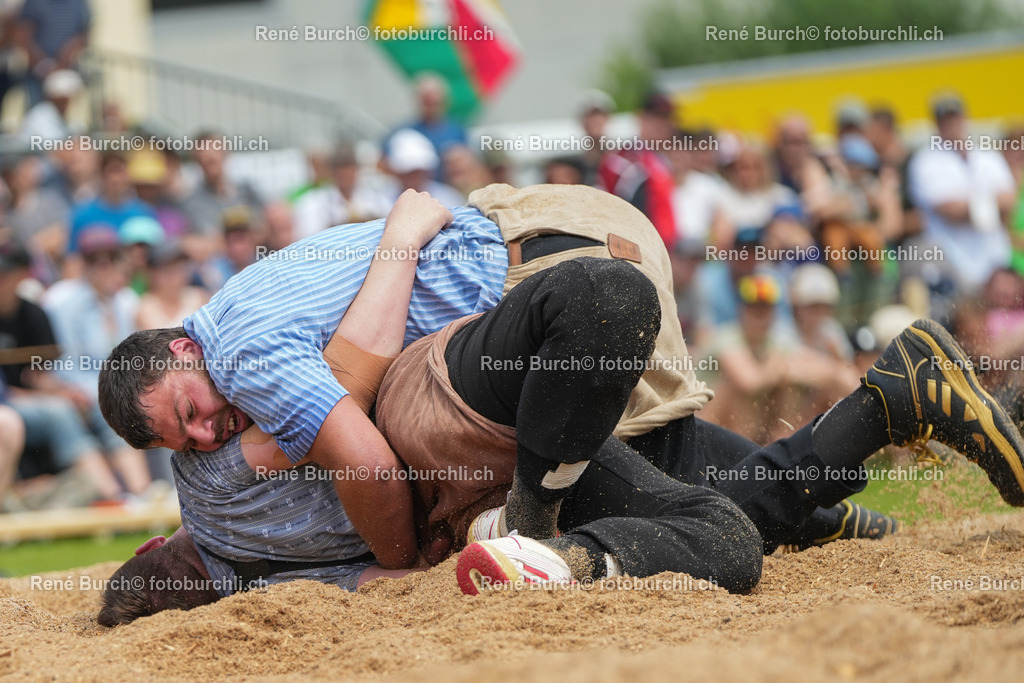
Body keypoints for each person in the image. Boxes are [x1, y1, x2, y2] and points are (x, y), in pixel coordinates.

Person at [42, 225, 152, 496]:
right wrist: (102, 389)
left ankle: (141, 496)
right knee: (114, 407)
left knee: (137, 402)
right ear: (84, 264)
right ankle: (122, 497)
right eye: (96, 261)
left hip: (111, 387)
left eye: (111, 259)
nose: (104, 267)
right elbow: (63, 362)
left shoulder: (125, 300)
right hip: (77, 388)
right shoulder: (61, 300)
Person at [908, 94, 1016, 297]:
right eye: (945, 119)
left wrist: (970, 206)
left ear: (965, 117)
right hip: (953, 261)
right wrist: (991, 205)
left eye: (955, 117)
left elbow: (1009, 200)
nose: (952, 124)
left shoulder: (988, 155)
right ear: (937, 124)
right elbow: (949, 210)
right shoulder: (925, 160)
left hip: (995, 259)